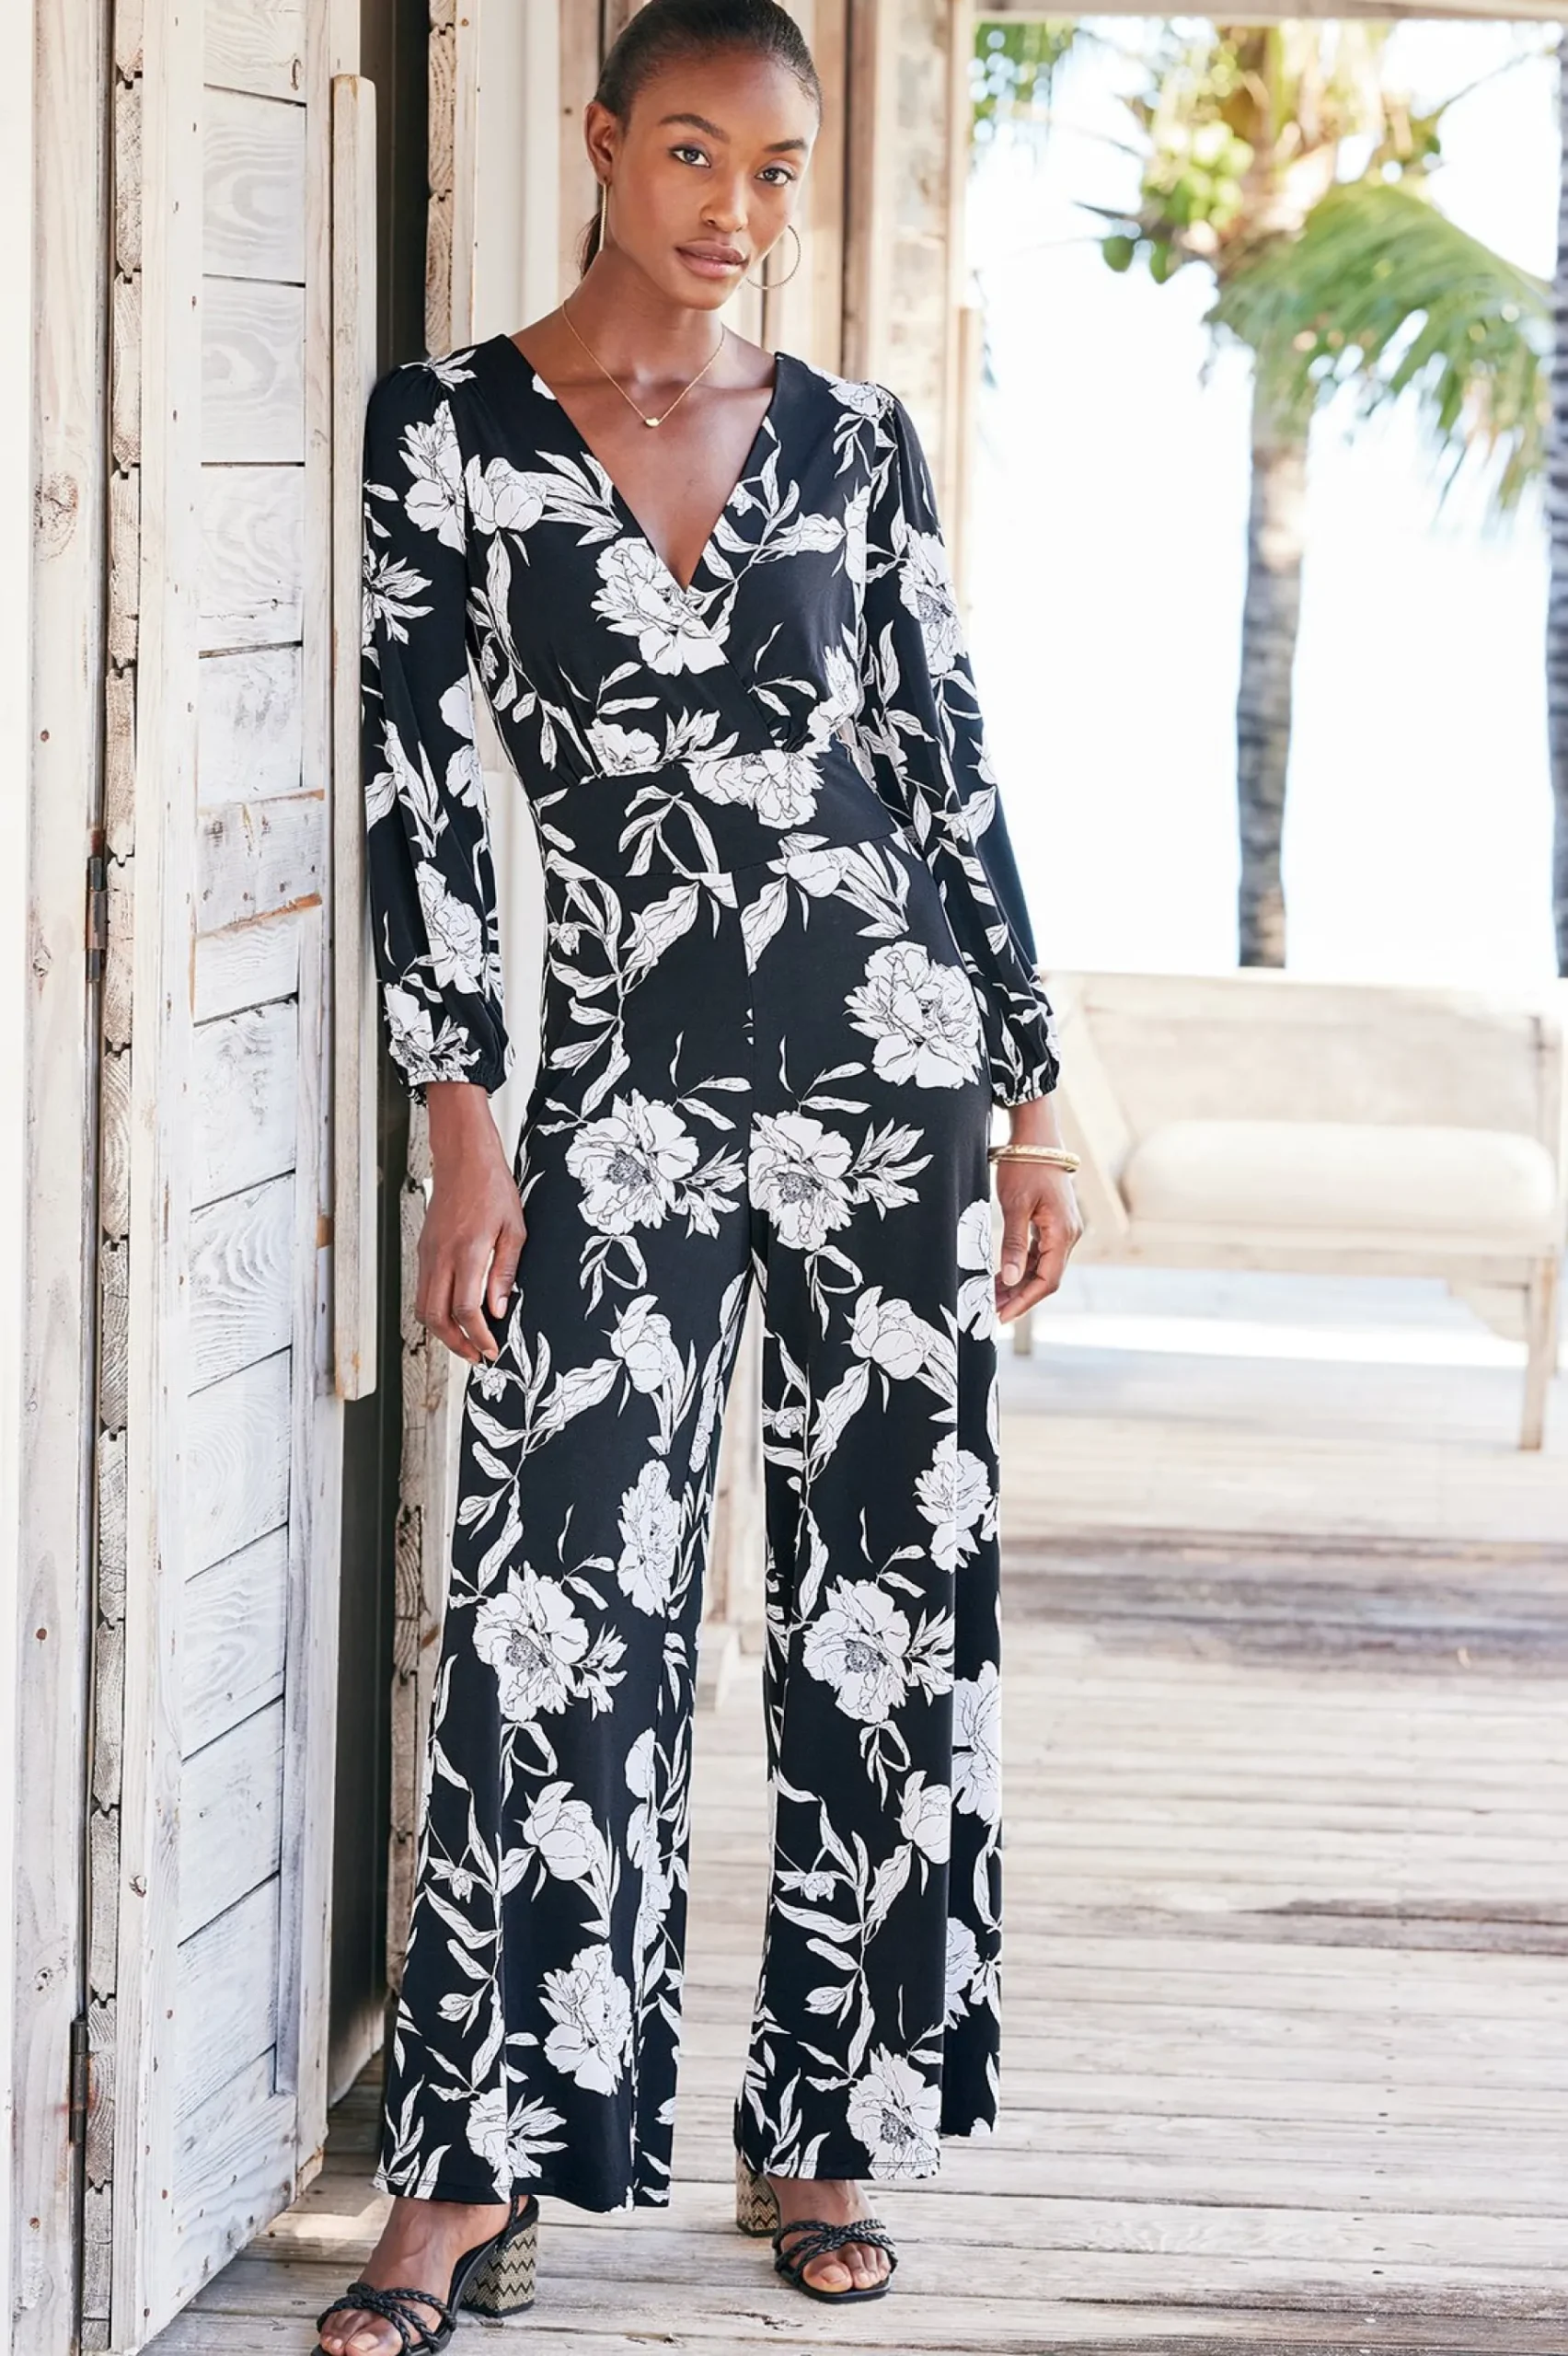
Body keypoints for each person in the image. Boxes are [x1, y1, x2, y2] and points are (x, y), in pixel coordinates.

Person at [316, 1, 1080, 2343]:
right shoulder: (450, 431)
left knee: (879, 1601)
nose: (734, 212)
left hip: (889, 1070)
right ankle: (471, 2167)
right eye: (689, 154)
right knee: (555, 1602)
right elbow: (421, 796)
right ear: (601, 141)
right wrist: (460, 1120)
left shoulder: (854, 441)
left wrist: (1036, 1091)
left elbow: (943, 763)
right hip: (624, 1082)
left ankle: (822, 2118)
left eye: (773, 171)